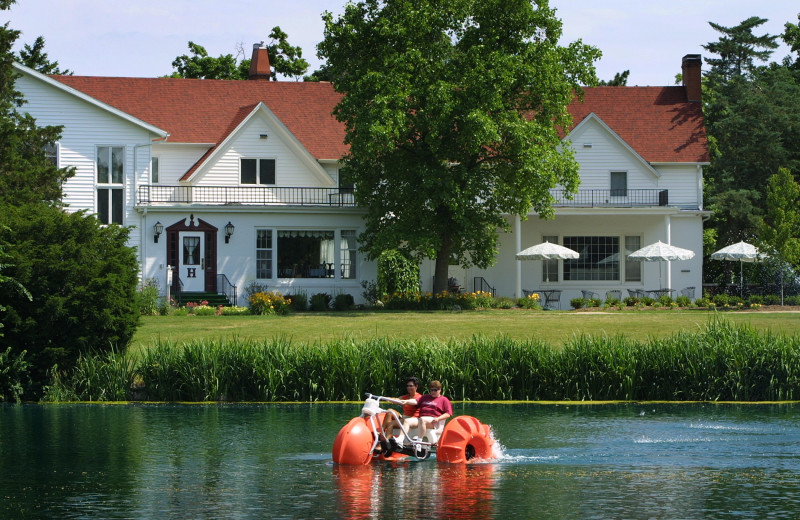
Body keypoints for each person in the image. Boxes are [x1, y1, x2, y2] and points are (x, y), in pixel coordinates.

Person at [380, 377, 422, 446]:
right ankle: (383, 435)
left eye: (411, 386)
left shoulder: (419, 397)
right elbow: (397, 399)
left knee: (391, 423)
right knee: (390, 411)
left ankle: (386, 439)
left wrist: (404, 402)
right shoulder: (406, 396)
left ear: (416, 386)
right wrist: (386, 398)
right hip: (404, 417)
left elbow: (408, 402)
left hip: (412, 419)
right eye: (407, 386)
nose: (408, 387)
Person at [408, 380, 452, 444]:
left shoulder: (444, 400)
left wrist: (438, 418)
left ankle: (419, 441)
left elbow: (448, 414)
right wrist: (404, 402)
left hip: (433, 421)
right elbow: (415, 401)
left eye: (435, 390)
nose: (433, 392)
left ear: (440, 390)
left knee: (422, 419)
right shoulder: (425, 397)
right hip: (420, 419)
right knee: (406, 421)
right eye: (431, 390)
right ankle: (401, 440)